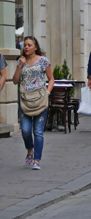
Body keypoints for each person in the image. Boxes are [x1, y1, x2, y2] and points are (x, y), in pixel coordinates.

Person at [13, 36, 54, 170]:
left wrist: (47, 93)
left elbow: (51, 79)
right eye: (25, 45)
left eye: (29, 45)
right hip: (25, 100)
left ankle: (37, 160)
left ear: (35, 47)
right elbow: (15, 81)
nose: (26, 47)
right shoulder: (21, 61)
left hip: (40, 100)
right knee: (25, 130)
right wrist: (20, 66)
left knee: (38, 131)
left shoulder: (43, 61)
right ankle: (30, 149)